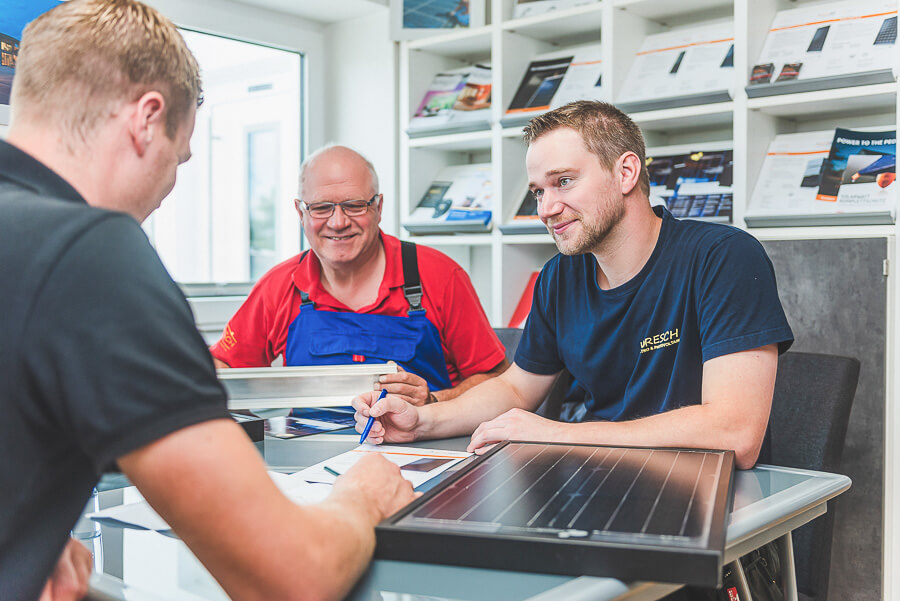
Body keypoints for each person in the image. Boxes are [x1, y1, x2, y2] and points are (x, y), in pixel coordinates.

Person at [0, 2, 415, 600]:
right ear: (148, 119)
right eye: (180, 157)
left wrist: (29, 535)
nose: (170, 187)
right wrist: (363, 493)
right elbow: (288, 576)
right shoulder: (92, 254)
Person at [352, 100, 794, 470]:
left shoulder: (723, 256)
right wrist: (421, 421)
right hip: (596, 476)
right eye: (538, 192)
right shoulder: (559, 277)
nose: (546, 208)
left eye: (563, 181)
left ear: (625, 173)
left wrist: (562, 435)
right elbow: (515, 388)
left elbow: (737, 433)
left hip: (701, 495)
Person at [210, 144, 509, 407]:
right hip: (308, 462)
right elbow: (223, 366)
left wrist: (433, 400)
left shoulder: (441, 275)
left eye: (354, 206)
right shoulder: (278, 286)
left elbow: (497, 380)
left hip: (425, 452)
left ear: (378, 208)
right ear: (300, 213)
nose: (338, 222)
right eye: (321, 208)